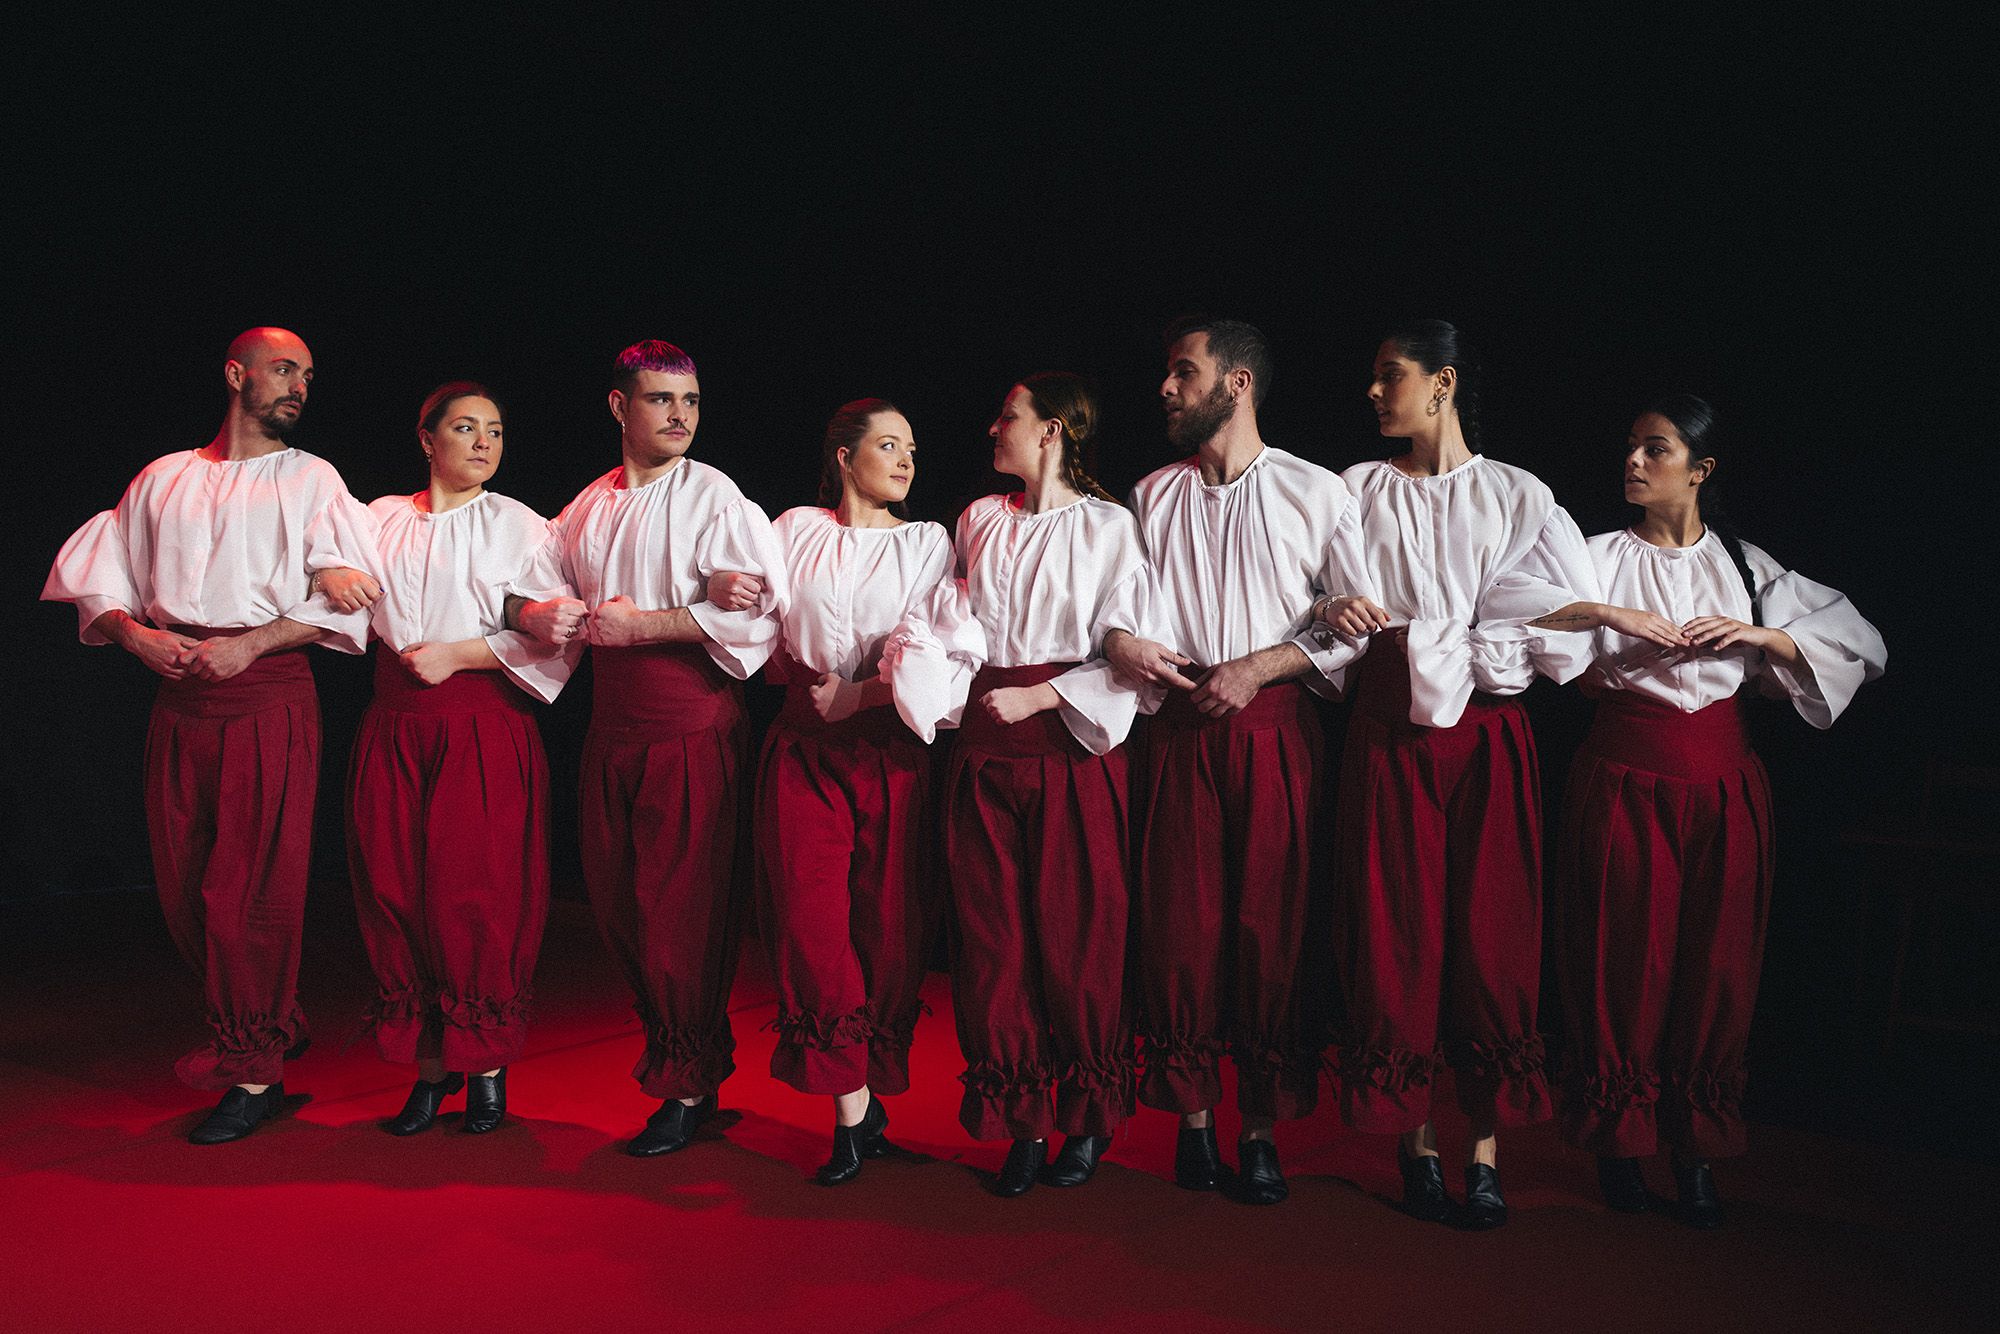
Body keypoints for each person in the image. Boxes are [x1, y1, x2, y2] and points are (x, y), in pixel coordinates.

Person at [1553, 394, 1885, 1227]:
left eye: (1654, 450)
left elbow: (1862, 645)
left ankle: (1696, 1146)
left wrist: (1763, 638)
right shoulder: (1593, 557)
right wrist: (1606, 612)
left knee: (1717, 963)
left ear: (1699, 471)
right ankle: (1622, 1142)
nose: (1633, 462)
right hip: (1628, 775)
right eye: (1629, 447)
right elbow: (1521, 618)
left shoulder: (1743, 564)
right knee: (1626, 956)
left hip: (1725, 782)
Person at [41, 327, 370, 1143]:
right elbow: (102, 576)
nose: (300, 385)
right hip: (181, 697)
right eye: (285, 370)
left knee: (248, 895)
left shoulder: (311, 477)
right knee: (188, 889)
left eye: (308, 375)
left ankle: (254, 1069)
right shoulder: (165, 477)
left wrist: (251, 643)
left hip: (266, 694)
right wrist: (139, 638)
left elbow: (349, 589)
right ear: (236, 375)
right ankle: (268, 1019)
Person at [1315, 319, 1603, 1227]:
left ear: (1441, 384)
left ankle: (1482, 1150)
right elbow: (1324, 598)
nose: (1372, 392)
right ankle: (1416, 1141)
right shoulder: (1354, 490)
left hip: (1487, 738)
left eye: (1387, 375)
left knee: (1492, 933)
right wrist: (1338, 604)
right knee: (1395, 928)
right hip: (1389, 731)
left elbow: (1551, 630)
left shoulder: (1519, 495)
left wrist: (1440, 638)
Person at [1105, 317, 1366, 1205]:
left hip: (1275, 731)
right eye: (1169, 373)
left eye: (1185, 372)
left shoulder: (1315, 491)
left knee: (1270, 928)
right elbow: (1122, 611)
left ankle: (1258, 1128)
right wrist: (1132, 647)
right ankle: (1192, 1123)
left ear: (1238, 384)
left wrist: (1260, 666)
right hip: (1179, 733)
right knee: (1183, 929)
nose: (1168, 389)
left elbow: (1351, 625)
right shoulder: (1151, 495)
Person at [505, 340, 785, 1156]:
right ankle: (675, 1055)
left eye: (690, 402)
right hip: (611, 731)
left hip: (690, 725)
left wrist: (653, 621)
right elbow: (532, 578)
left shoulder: (716, 496)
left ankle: (688, 1081)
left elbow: (760, 617)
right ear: (619, 407)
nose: (679, 416)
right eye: (662, 400)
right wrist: (531, 614)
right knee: (623, 906)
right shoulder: (588, 505)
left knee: (683, 914)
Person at [310, 382, 578, 1136]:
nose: (485, 442)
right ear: (427, 440)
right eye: (466, 427)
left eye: (495, 429)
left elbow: (557, 630)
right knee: (397, 888)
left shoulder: (524, 527)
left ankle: (485, 1066)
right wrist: (328, 572)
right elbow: (324, 568)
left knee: (477, 892)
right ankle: (429, 1069)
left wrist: (461, 654)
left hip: (482, 726)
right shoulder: (379, 518)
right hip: (396, 724)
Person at [744, 398, 977, 1184]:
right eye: (887, 444)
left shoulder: (925, 542)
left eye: (911, 446)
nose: (906, 459)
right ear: (844, 455)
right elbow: (757, 617)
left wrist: (862, 698)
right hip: (805, 748)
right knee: (812, 923)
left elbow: (935, 652)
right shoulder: (791, 530)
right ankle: (848, 1112)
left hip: (889, 749)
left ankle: (868, 1101)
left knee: (888, 924)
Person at [947, 372, 1147, 1196]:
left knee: (1078, 934)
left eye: (1009, 417)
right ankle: (1020, 1116)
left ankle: (1087, 1116)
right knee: (995, 941)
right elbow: (947, 624)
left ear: (1054, 429)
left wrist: (1042, 693)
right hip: (986, 752)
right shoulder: (980, 519)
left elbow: (1129, 643)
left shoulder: (1109, 528)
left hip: (1071, 749)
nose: (995, 428)